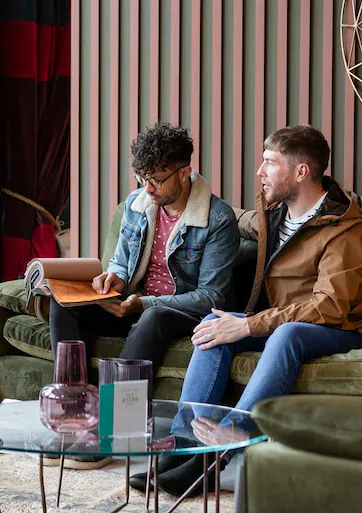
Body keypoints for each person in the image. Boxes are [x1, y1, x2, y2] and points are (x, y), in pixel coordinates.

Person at [131, 125, 362, 496]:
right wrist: (181, 193)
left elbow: (330, 306)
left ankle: (213, 460)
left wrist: (249, 325)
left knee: (285, 333)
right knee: (216, 322)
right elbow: (224, 216)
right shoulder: (274, 216)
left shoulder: (346, 232)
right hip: (282, 323)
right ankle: (181, 447)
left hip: (340, 329)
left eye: (269, 163)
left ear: (301, 171)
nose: (260, 172)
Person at [49, 122, 240, 369]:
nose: (147, 188)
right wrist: (116, 277)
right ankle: (72, 393)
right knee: (63, 299)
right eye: (142, 178)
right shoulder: (136, 204)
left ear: (184, 172)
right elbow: (120, 261)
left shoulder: (217, 219)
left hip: (182, 314)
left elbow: (210, 298)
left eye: (156, 180)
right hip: (135, 305)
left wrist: (145, 303)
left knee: (154, 315)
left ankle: (117, 403)